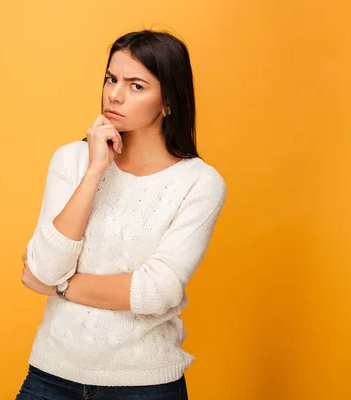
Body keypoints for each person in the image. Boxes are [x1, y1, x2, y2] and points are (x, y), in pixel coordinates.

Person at [16, 29, 226, 400]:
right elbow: (45, 267)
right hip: (51, 375)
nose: (114, 94)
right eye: (111, 79)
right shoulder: (72, 159)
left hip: (144, 386)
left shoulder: (200, 183)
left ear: (169, 103)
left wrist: (61, 286)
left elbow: (156, 291)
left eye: (136, 85)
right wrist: (95, 170)